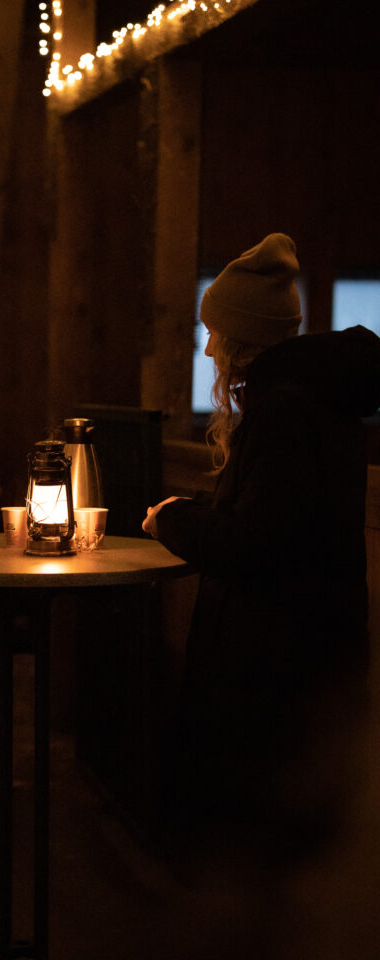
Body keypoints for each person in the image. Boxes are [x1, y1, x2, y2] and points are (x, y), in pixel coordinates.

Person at [142, 232, 380, 875]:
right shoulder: (321, 402)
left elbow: (253, 544)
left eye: (215, 331)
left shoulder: (284, 412)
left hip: (275, 678)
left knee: (261, 864)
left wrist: (172, 520)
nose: (208, 344)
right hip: (309, 667)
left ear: (243, 336)